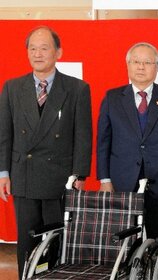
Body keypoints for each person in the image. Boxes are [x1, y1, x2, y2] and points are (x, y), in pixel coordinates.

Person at [0, 26, 92, 279]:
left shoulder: (77, 89)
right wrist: (3, 173)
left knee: (57, 239)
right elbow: (4, 134)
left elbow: (83, 135)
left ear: (58, 52)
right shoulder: (12, 87)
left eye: (44, 48)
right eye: (32, 48)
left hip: (60, 178)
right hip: (24, 175)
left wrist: (80, 175)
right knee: (27, 240)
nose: (37, 54)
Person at [96, 42, 158, 239]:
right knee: (124, 238)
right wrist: (105, 180)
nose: (141, 67)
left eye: (147, 62)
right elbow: (103, 142)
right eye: (136, 61)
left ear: (157, 66)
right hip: (122, 180)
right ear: (128, 65)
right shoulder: (112, 98)